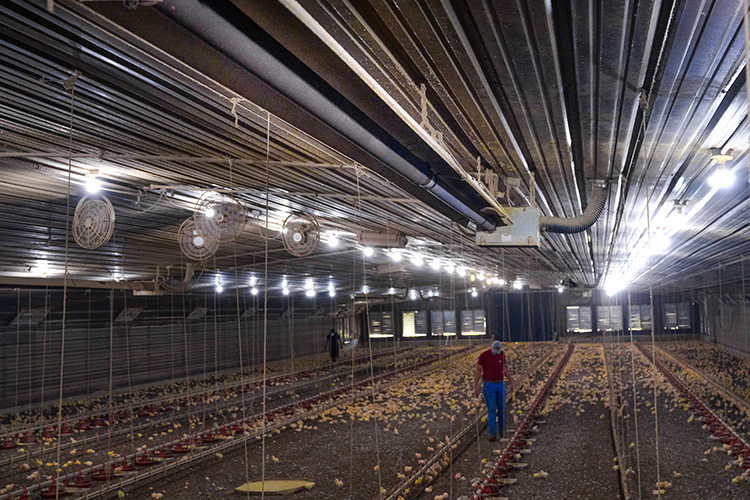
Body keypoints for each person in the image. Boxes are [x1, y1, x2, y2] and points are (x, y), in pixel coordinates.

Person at [473, 340, 515, 441]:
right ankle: (493, 433)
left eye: (498, 351)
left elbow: (505, 368)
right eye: (494, 350)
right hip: (489, 384)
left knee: (502, 408)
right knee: (491, 409)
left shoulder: (502, 355)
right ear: (491, 347)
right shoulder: (484, 355)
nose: (496, 353)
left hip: (500, 384)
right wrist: (476, 386)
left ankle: (502, 431)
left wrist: (510, 381)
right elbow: (478, 370)